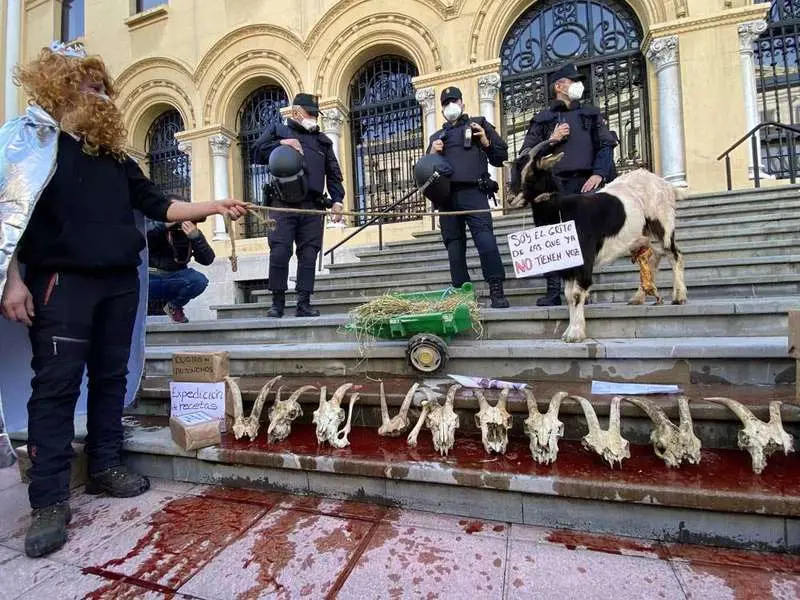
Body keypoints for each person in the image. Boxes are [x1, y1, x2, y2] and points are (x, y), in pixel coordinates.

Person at [0, 42, 247, 558]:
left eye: (103, 88)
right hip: (60, 283)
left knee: (111, 377)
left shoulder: (113, 156)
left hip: (118, 283)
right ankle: (48, 500)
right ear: (62, 88)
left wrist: (213, 205)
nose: (103, 97)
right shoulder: (27, 144)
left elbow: (158, 203)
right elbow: (7, 216)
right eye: (92, 87)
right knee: (56, 387)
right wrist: (12, 280)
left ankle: (105, 464)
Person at [516, 63, 617, 306]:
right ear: (559, 86)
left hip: (584, 184)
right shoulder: (542, 120)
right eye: (573, 81)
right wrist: (551, 140)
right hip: (552, 189)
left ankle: (581, 288)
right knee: (549, 238)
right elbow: (526, 154)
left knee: (584, 238)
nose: (579, 85)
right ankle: (553, 290)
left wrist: (599, 174)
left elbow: (605, 145)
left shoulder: (591, 114)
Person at [252, 93, 345, 318]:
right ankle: (277, 303)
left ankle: (304, 303)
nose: (313, 117)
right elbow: (255, 153)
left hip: (312, 206)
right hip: (282, 204)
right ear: (295, 112)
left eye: (315, 114)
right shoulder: (278, 130)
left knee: (309, 254)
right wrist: (281, 144)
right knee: (280, 251)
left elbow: (333, 173)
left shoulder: (322, 141)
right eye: (309, 113)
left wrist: (338, 200)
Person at [427, 86, 510, 308]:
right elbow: (425, 172)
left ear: (462, 103)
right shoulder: (436, 137)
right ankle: (462, 294)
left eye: (454, 101)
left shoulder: (479, 124)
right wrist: (432, 153)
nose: (450, 106)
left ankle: (496, 289)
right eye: (446, 103)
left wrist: (485, 141)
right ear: (442, 109)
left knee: (486, 241)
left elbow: (501, 157)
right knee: (454, 247)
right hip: (447, 198)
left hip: (475, 191)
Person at [147, 195, 215, 323]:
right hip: (150, 277)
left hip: (175, 278)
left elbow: (208, 260)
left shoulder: (189, 230)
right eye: (176, 210)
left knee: (199, 280)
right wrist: (165, 224)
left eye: (183, 210)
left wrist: (196, 237)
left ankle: (174, 307)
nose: (180, 215)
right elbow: (144, 236)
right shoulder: (154, 224)